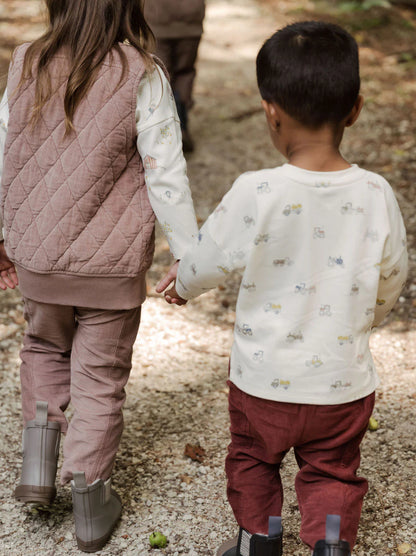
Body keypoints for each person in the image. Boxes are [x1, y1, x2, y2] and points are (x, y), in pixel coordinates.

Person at [156, 21, 408, 556]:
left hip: (263, 381)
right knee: (334, 470)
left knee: (252, 457)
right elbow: (392, 276)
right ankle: (331, 544)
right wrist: (364, 318)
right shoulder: (375, 192)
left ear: (270, 112)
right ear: (356, 109)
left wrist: (183, 283)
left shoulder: (257, 190)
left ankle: (260, 540)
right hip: (342, 383)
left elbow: (210, 255)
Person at [0, 0, 197, 552]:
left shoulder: (25, 62)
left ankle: (38, 469)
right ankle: (89, 494)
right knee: (101, 376)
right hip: (109, 267)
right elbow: (166, 172)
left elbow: (3, 154)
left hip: (39, 259)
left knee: (42, 348)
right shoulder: (143, 73)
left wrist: (1, 234)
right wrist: (188, 253)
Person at [144, 0, 205, 152]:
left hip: (158, 18)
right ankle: (181, 124)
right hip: (191, 19)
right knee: (184, 72)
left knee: (160, 75)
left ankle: (164, 131)